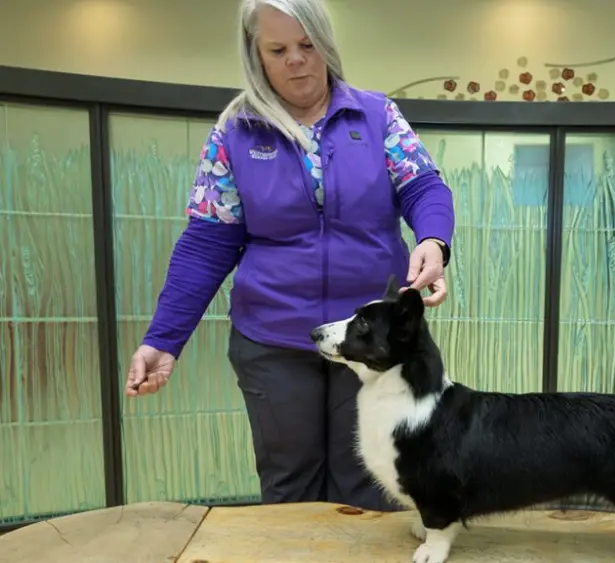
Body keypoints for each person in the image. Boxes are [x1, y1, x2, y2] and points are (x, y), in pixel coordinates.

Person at [123, 0, 455, 512]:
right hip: (274, 339)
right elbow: (208, 242)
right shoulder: (235, 131)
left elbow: (423, 186)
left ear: (326, 44)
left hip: (373, 340)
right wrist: (163, 340)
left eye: (307, 45)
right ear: (256, 54)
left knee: (374, 482)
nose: (296, 60)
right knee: (290, 488)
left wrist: (434, 240)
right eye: (278, 49)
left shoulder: (375, 114)